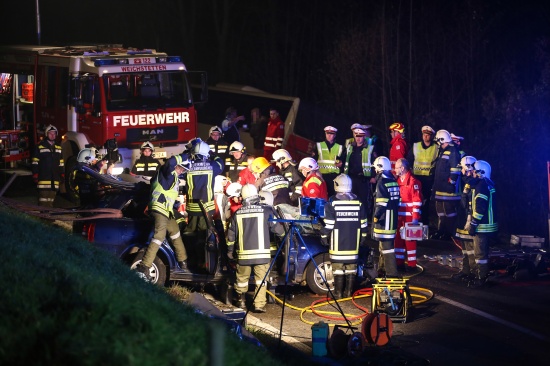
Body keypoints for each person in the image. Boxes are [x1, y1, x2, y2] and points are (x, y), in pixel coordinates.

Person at [226, 183, 284, 312]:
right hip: (262, 255)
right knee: (261, 281)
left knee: (242, 280)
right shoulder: (266, 211)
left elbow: (231, 236)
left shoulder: (238, 213)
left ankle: (241, 301)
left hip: (243, 255)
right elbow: (277, 229)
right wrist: (286, 236)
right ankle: (259, 305)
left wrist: (230, 252)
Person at [136, 153, 190, 280]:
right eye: (181, 167)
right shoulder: (168, 173)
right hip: (160, 209)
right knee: (159, 236)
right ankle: (144, 267)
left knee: (175, 231)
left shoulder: (171, 176)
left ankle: (183, 261)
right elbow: (170, 163)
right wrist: (185, 156)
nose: (182, 170)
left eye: (184, 169)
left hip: (166, 210)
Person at [320, 174, 368, 299]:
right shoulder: (358, 202)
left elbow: (329, 224)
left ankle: (338, 293)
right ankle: (349, 293)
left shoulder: (332, 202)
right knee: (351, 268)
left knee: (338, 269)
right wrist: (363, 237)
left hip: (338, 243)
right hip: (353, 243)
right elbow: (364, 223)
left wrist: (323, 236)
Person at [467, 160, 498, 288]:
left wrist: (473, 223)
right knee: (482, 252)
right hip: (487, 224)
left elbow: (480, 208)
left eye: (474, 171)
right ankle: (480, 276)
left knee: (480, 254)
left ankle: (481, 278)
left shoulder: (481, 186)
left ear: (481, 172)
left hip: (482, 225)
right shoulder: (487, 183)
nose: (472, 173)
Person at [182, 140, 225, 232]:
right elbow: (221, 164)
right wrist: (214, 155)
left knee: (190, 233)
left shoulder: (188, 167)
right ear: (207, 154)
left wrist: (187, 153)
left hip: (192, 207)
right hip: (207, 208)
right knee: (204, 233)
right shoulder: (212, 166)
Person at [451, 156, 478, 283]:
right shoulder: (465, 181)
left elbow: (470, 203)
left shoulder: (473, 183)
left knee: (471, 248)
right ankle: (466, 270)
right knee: (465, 248)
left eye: (462, 168)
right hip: (462, 218)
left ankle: (473, 273)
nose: (461, 170)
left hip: (468, 218)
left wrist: (469, 219)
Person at [372, 156, 400, 277]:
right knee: (383, 246)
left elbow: (381, 203)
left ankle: (391, 273)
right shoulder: (393, 180)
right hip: (392, 218)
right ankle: (382, 270)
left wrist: (376, 217)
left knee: (387, 248)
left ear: (379, 169)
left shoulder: (382, 182)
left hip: (384, 220)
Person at [431, 129, 461, 240]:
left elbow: (455, 170)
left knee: (449, 211)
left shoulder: (452, 151)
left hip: (448, 189)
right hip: (440, 187)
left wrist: (451, 182)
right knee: (440, 211)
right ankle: (441, 231)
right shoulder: (443, 151)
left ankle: (450, 233)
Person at [394, 158, 422, 272]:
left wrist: (415, 218)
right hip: (399, 216)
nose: (394, 169)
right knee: (398, 240)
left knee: (410, 241)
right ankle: (399, 263)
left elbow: (417, 201)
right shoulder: (398, 181)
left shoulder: (413, 182)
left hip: (410, 216)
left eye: (396, 167)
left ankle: (412, 265)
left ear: (402, 168)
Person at [407, 125, 438, 226]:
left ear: (431, 136)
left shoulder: (436, 148)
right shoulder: (416, 146)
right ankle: (414, 221)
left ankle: (425, 224)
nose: (426, 137)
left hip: (429, 180)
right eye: (424, 134)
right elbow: (409, 160)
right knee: (415, 202)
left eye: (428, 135)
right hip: (416, 179)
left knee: (426, 203)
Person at [342, 124, 375, 216]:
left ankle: (363, 218)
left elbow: (373, 163)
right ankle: (353, 216)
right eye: (357, 136)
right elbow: (344, 160)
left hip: (364, 178)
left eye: (360, 136)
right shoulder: (350, 147)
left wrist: (373, 176)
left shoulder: (370, 148)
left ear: (364, 136)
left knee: (363, 200)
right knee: (351, 198)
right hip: (351, 177)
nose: (358, 138)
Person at [32, 125, 64, 207]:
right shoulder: (40, 146)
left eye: (54, 133)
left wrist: (62, 174)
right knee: (43, 201)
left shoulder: (58, 147)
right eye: (50, 133)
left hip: (55, 180)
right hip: (43, 179)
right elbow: (35, 162)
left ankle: (49, 218)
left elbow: (61, 162)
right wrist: (35, 173)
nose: (52, 135)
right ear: (47, 134)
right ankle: (43, 218)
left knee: (51, 201)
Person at [311, 125, 343, 198]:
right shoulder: (318, 145)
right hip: (321, 176)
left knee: (332, 197)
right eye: (327, 133)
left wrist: (341, 164)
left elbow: (343, 161)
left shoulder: (340, 147)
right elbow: (313, 161)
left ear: (335, 135)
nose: (329, 135)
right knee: (321, 196)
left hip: (334, 177)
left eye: (331, 134)